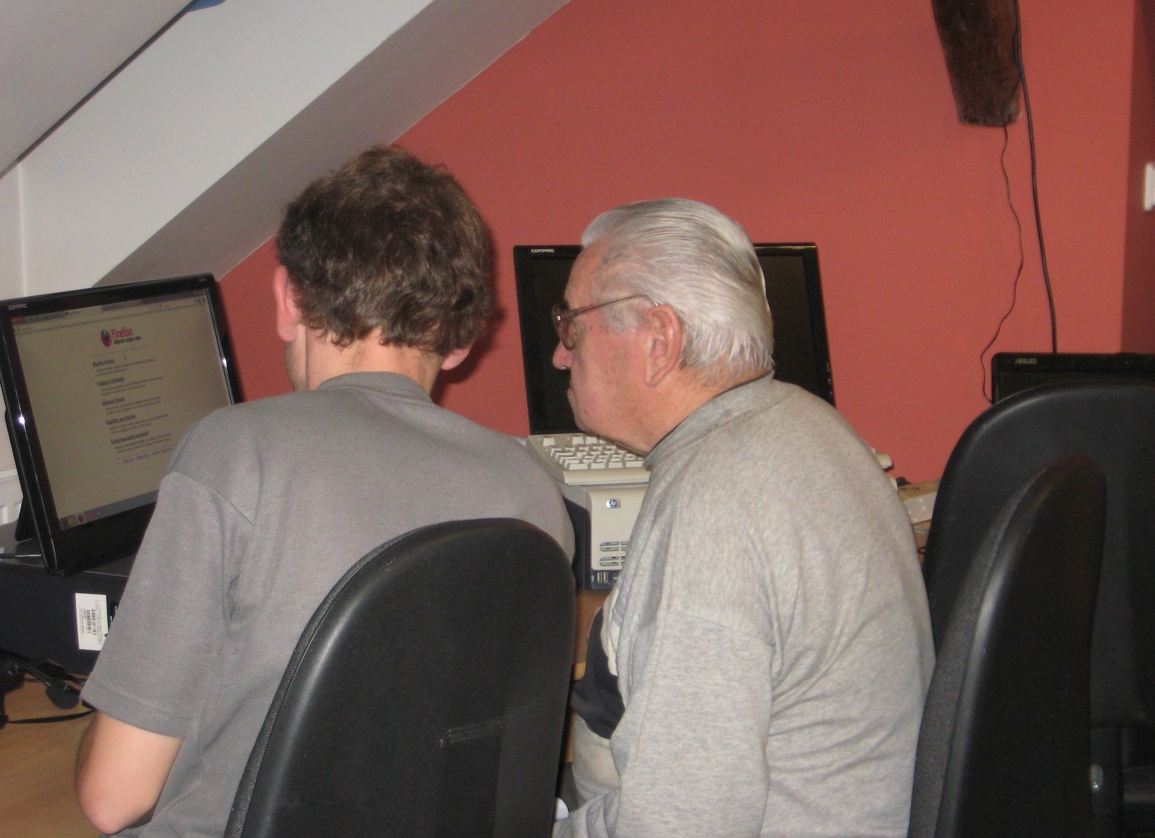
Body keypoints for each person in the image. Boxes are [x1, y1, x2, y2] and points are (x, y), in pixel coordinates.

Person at [75, 145, 574, 837]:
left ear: (287, 299)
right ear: (458, 341)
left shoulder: (235, 452)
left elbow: (113, 799)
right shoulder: (532, 492)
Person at [552, 199, 934, 838]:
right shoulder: (808, 423)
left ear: (659, 340)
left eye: (572, 326)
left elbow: (679, 826)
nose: (561, 356)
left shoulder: (713, 508)